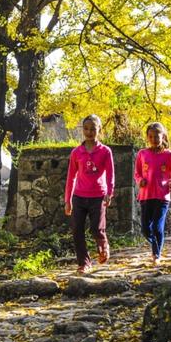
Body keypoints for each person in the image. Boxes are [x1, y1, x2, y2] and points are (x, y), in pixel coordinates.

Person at [64, 114, 114, 274]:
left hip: (98, 196)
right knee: (77, 229)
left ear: (99, 129)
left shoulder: (105, 151)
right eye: (86, 128)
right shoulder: (76, 152)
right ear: (82, 130)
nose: (89, 132)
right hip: (79, 196)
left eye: (93, 128)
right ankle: (84, 263)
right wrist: (68, 200)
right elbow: (71, 177)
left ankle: (103, 244)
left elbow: (110, 174)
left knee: (96, 228)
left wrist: (109, 193)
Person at [135, 122, 171, 265]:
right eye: (151, 136)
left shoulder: (168, 155)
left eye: (157, 136)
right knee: (144, 228)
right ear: (147, 137)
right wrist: (140, 180)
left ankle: (156, 254)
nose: (154, 139)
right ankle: (155, 242)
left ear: (163, 136)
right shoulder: (142, 154)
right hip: (145, 196)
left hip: (162, 196)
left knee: (157, 227)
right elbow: (137, 173)